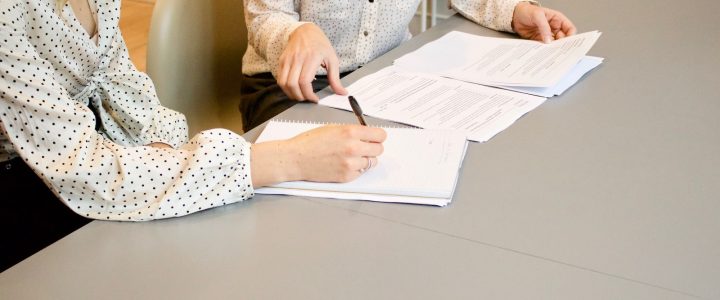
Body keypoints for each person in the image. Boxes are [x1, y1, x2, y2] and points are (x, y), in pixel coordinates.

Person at [0, 0, 386, 272]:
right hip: (26, 178)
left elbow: (121, 85)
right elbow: (84, 167)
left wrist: (164, 150)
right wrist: (287, 159)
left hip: (85, 148)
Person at [240, 0, 577, 130]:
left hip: (386, 75)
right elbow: (264, 16)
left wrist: (515, 12)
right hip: (289, 85)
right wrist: (296, 33)